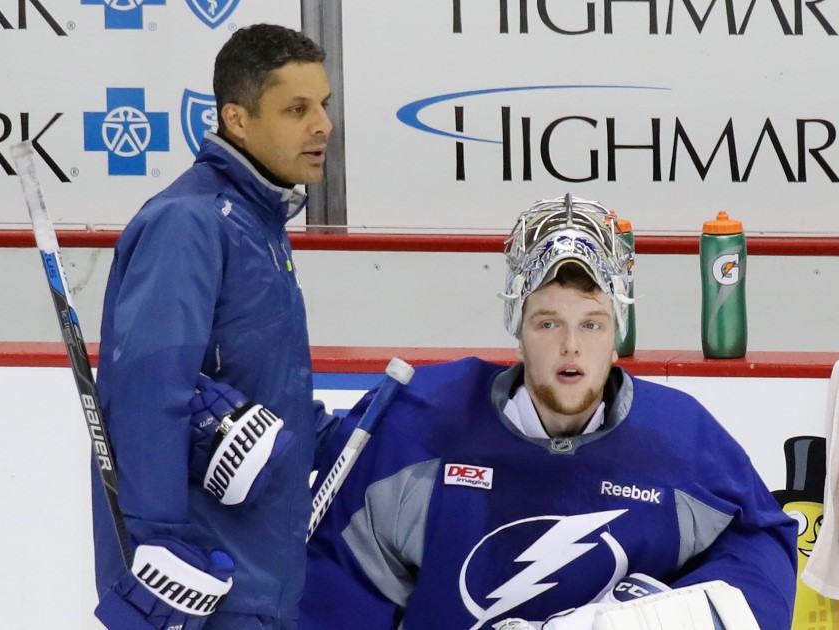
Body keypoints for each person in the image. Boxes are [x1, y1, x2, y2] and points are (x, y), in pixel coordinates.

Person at [301, 195, 798, 629]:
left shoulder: (683, 441)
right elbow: (340, 586)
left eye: (593, 325)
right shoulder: (420, 425)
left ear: (617, 334)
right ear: (516, 328)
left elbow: (762, 544)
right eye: (547, 323)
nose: (571, 347)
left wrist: (644, 621)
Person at [90, 23, 334, 630]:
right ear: (238, 119)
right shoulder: (190, 223)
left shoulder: (258, 222)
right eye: (297, 109)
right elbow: (147, 397)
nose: (322, 125)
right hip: (205, 592)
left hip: (261, 584)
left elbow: (258, 385)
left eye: (324, 105)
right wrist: (156, 552)